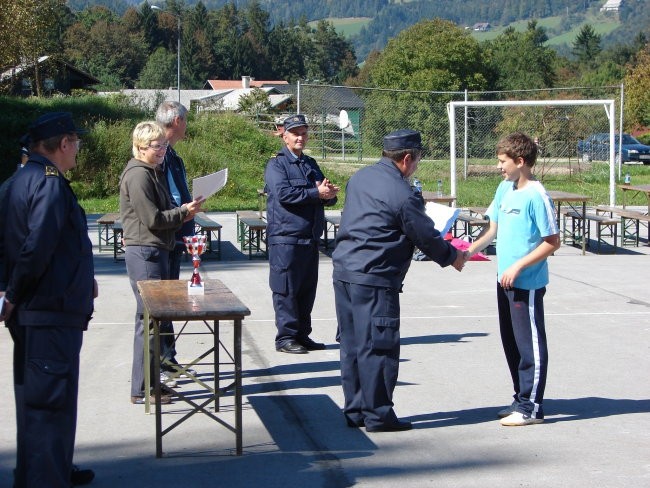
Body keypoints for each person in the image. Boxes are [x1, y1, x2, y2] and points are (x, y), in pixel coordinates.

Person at [332, 129, 465, 432]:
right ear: (406, 159)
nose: (416, 167)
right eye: (416, 161)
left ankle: (355, 411)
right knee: (378, 346)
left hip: (345, 273)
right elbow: (424, 235)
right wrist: (452, 257)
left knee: (352, 344)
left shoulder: (360, 178)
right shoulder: (403, 194)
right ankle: (378, 415)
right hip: (376, 277)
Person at [0, 112, 98, 487]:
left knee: (35, 406)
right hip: (48, 314)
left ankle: (38, 474)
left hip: (36, 312)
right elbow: (36, 248)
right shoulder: (49, 184)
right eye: (76, 141)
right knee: (49, 409)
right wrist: (12, 292)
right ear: (62, 144)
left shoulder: (17, 181)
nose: (78, 149)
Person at [466, 132, 560, 426]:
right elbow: (493, 230)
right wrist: (466, 252)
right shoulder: (504, 188)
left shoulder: (537, 195)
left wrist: (518, 267)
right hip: (503, 280)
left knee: (529, 343)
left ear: (520, 161)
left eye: (503, 161)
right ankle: (520, 399)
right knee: (511, 343)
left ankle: (531, 408)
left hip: (526, 283)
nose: (499, 166)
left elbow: (552, 241)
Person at [119, 121, 203, 405]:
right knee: (149, 321)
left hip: (155, 249)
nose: (162, 151)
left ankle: (150, 383)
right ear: (141, 147)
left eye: (164, 145)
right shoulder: (139, 175)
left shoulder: (151, 171)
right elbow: (153, 218)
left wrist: (183, 212)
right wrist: (182, 213)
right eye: (157, 147)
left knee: (153, 321)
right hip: (146, 252)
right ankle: (142, 388)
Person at [264, 114, 339, 354]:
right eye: (295, 133)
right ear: (284, 136)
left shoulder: (310, 163)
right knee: (286, 289)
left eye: (304, 133)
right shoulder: (276, 165)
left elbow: (322, 191)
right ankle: (285, 337)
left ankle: (302, 335)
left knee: (307, 288)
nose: (300, 137)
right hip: (286, 237)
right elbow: (284, 194)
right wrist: (316, 193)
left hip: (309, 237)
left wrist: (329, 194)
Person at [156, 101, 196, 384]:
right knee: (164, 302)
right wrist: (186, 209)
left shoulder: (172, 155)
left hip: (178, 234)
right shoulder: (160, 155)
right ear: (177, 121)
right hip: (167, 237)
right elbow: (167, 198)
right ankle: (164, 360)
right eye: (186, 120)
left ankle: (169, 359)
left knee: (169, 301)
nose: (187, 125)